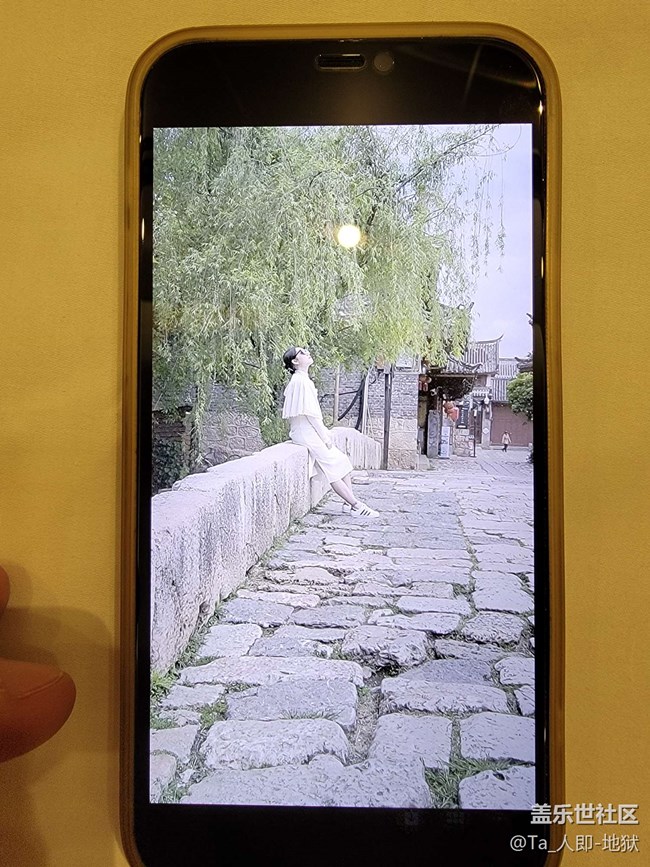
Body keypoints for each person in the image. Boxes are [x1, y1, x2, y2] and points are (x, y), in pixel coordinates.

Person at [282, 346, 379, 517]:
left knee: (342, 462)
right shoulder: (300, 382)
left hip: (308, 430)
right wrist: (324, 436)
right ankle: (356, 506)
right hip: (307, 433)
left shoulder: (302, 380)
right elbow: (310, 415)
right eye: (302, 352)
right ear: (295, 361)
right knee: (332, 468)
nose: (307, 353)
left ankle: (348, 503)